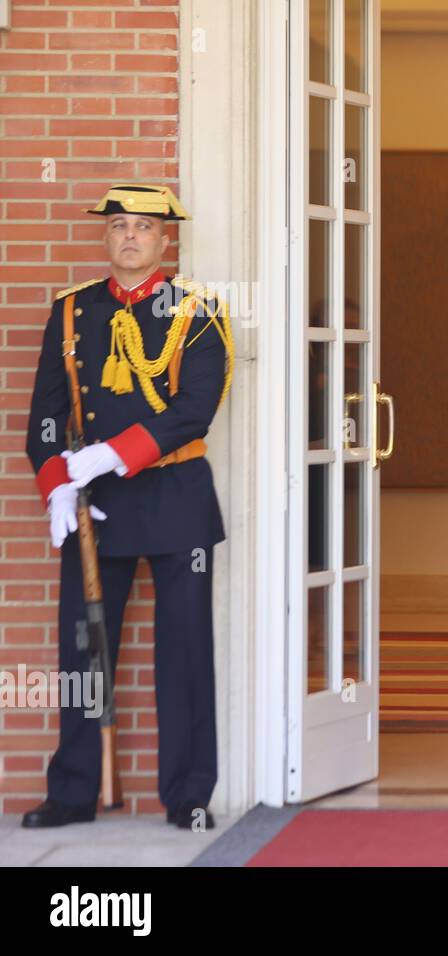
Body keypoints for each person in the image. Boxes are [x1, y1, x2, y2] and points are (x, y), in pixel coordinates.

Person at [22, 184, 234, 830]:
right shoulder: (71, 312)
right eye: (119, 227)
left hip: (174, 496)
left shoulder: (197, 310)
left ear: (165, 240)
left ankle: (189, 793)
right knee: (85, 651)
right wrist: (58, 481)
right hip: (97, 506)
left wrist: (110, 455)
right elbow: (46, 419)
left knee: (185, 654)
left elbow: (195, 409)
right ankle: (74, 790)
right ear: (106, 237)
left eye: (144, 227)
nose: (130, 238)